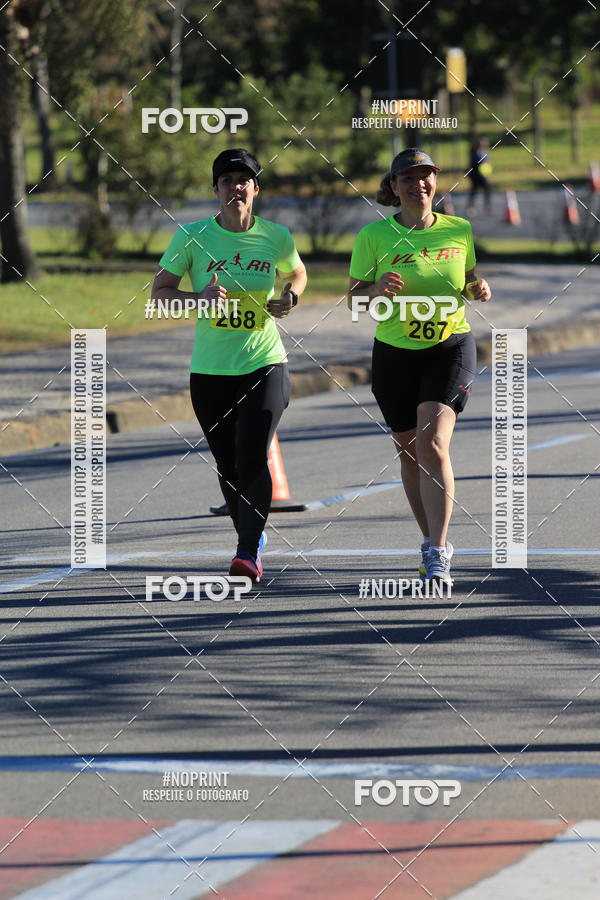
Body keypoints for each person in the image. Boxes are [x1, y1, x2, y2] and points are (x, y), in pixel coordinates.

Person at [152, 148, 307, 583]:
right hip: (211, 370)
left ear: (256, 189)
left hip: (264, 363)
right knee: (227, 463)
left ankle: (245, 552)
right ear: (216, 190)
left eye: (244, 180)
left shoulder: (276, 236)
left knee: (251, 455)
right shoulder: (193, 237)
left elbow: (297, 273)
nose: (235, 187)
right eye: (226, 180)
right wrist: (195, 300)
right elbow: (159, 293)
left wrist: (290, 296)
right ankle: (250, 540)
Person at [348, 148, 491, 585]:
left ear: (436, 182)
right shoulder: (373, 236)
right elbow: (355, 299)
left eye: (426, 176)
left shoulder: (458, 229)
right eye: (408, 178)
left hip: (450, 347)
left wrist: (477, 286)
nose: (419, 184)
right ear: (393, 187)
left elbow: (467, 279)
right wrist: (377, 291)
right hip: (394, 354)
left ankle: (438, 549)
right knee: (409, 453)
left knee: (433, 444)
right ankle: (430, 539)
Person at [467, 137, 492, 214]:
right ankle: (470, 208)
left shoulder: (484, 152)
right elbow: (475, 162)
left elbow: (487, 163)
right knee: (474, 192)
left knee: (487, 189)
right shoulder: (473, 152)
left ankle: (487, 206)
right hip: (475, 176)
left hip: (483, 176)